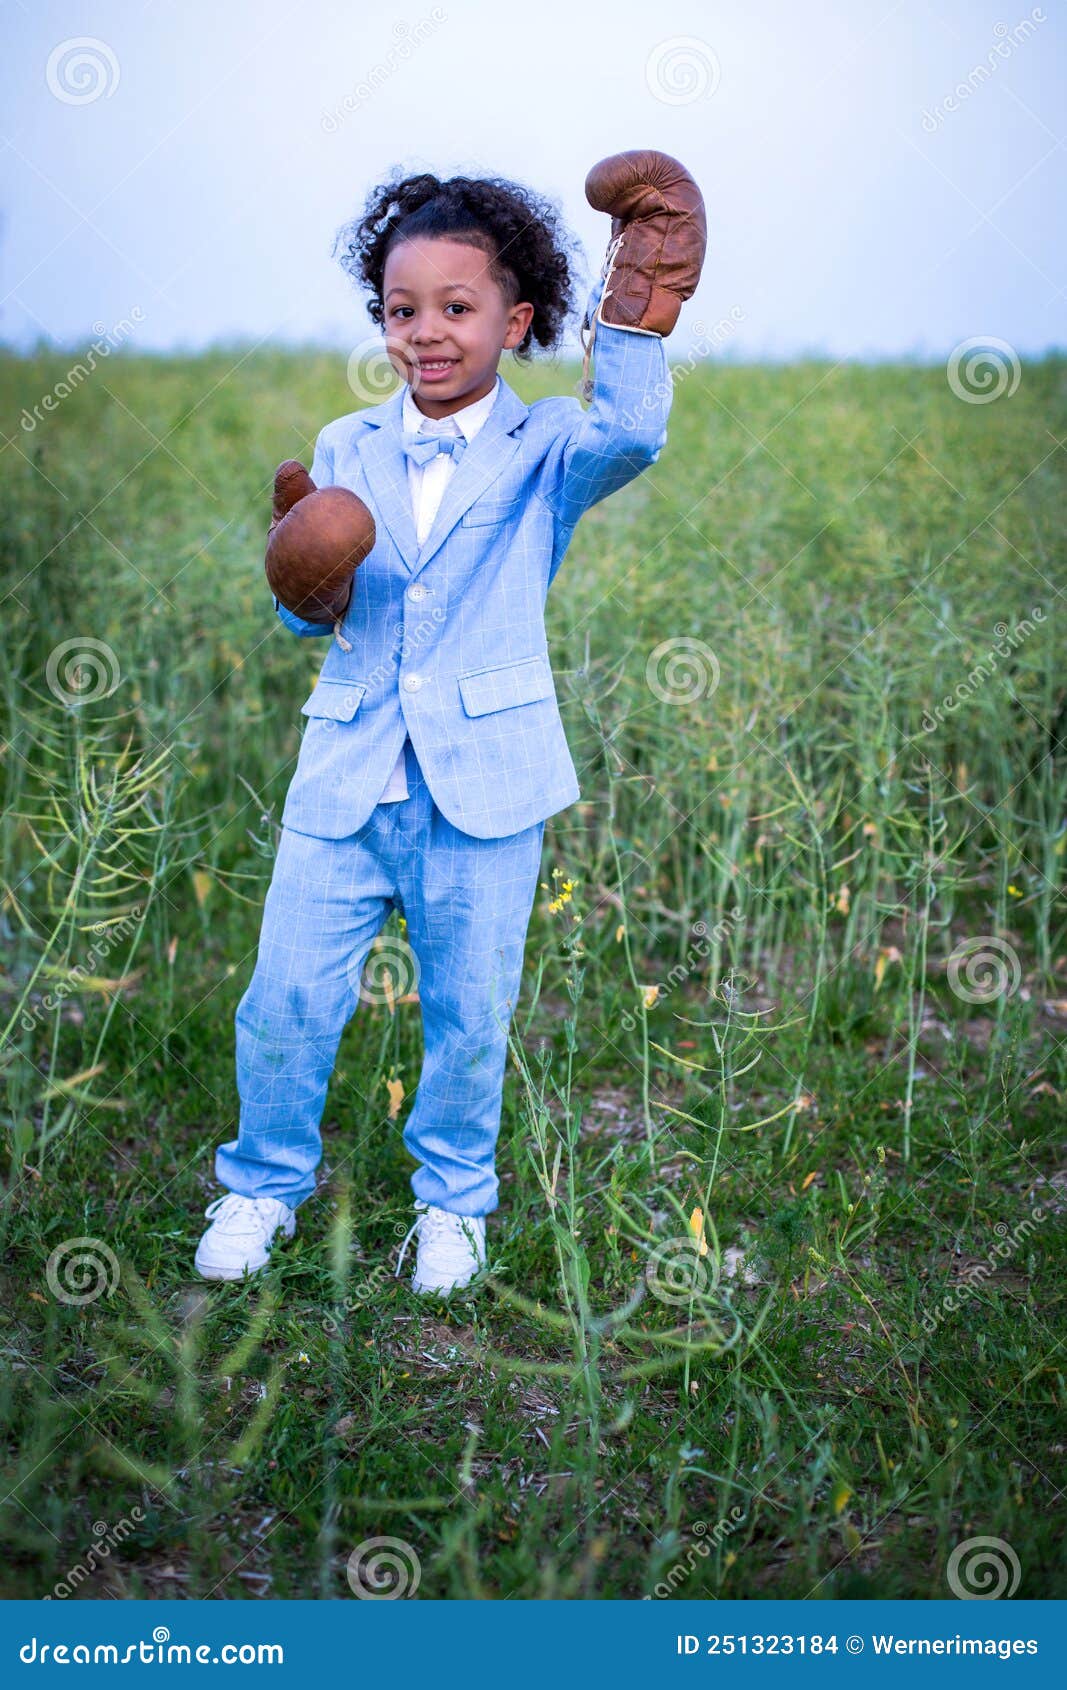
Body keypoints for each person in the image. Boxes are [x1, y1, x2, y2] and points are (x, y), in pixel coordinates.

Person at [194, 156, 705, 1292]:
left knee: (469, 1012)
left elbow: (631, 436)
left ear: (515, 319)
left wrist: (636, 318)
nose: (424, 332)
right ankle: (261, 1184)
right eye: (399, 309)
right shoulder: (345, 444)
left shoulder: (548, 451)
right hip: (348, 770)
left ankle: (452, 1203)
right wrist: (301, 583)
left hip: (486, 779)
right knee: (282, 996)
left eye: (456, 308)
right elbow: (309, 617)